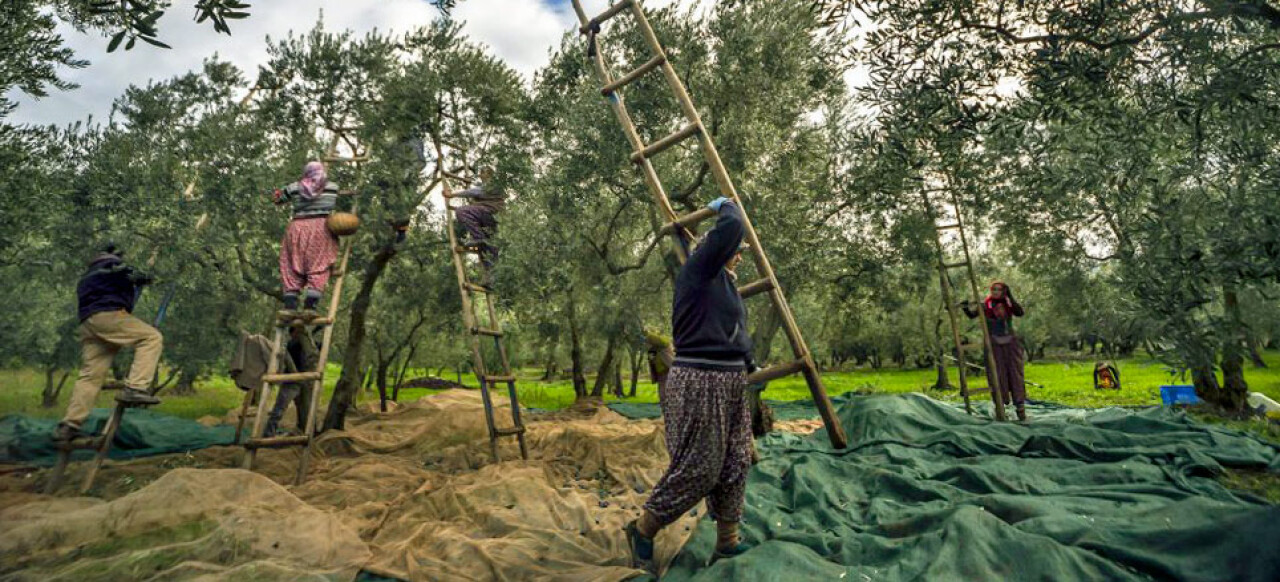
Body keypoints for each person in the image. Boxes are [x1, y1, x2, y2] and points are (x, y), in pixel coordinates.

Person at [625, 196, 753, 575]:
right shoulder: (699, 269)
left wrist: (748, 362)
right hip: (700, 379)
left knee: (736, 461)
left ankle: (727, 543)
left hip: (730, 382)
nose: (740, 256)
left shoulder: (725, 286)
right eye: (737, 252)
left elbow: (736, 332)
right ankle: (643, 529)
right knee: (700, 468)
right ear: (715, 249)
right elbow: (732, 225)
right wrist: (726, 204)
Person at [53, 245, 162, 441]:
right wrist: (148, 275)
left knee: (90, 377)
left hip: (89, 324)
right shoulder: (111, 266)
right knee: (151, 337)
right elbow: (134, 275)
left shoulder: (88, 275)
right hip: (107, 315)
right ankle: (135, 388)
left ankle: (69, 426)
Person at [274, 161, 341, 316]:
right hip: (322, 229)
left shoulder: (294, 188)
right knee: (319, 265)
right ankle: (310, 308)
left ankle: (290, 308)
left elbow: (277, 199)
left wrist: (278, 193)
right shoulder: (332, 187)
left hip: (297, 229)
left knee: (290, 267)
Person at [963, 281, 1028, 421]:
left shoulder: (1009, 304)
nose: (995, 291)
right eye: (993, 289)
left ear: (1004, 291)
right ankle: (1001, 407)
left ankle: (1020, 409)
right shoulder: (985, 305)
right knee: (997, 375)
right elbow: (971, 315)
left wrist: (1009, 296)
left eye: (999, 289)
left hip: (1011, 343)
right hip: (994, 343)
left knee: (1016, 374)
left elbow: (1020, 312)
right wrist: (964, 306)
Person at [452, 167, 505, 272]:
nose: (480, 175)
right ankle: (491, 279)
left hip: (490, 213)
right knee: (488, 246)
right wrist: (468, 181)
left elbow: (476, 192)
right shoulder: (490, 186)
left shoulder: (491, 185)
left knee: (462, 212)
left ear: (489, 174)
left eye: (482, 173)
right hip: (494, 220)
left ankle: (478, 237)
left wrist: (453, 194)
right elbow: (477, 188)